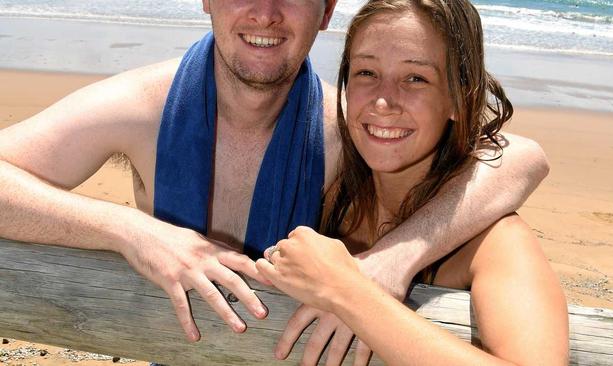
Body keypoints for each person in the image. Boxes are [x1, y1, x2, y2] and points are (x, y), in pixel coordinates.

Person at [0, 0, 549, 364]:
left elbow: (519, 156)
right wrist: (132, 232)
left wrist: (391, 260)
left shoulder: (351, 131)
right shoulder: (143, 105)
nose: (266, 13)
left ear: (326, 10)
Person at [257, 0, 568, 365]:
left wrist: (348, 291)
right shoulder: (329, 192)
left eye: (416, 78)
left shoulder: (497, 242)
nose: (384, 102)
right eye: (366, 73)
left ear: (459, 99)